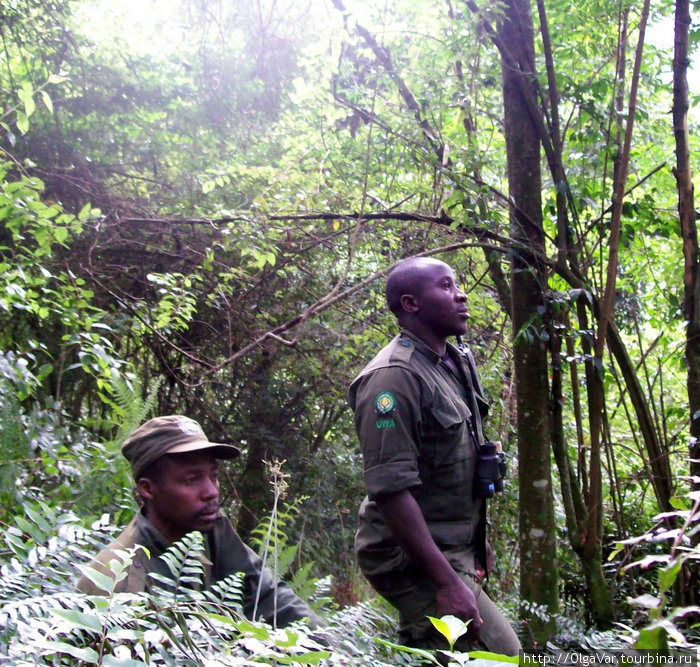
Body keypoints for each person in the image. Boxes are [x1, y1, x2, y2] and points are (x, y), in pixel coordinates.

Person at [348, 257, 520, 656]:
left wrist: (476, 545)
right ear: (411, 304)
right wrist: (446, 583)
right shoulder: (392, 379)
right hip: (407, 554)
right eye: (446, 286)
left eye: (457, 284)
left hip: (451, 543)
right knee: (505, 657)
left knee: (449, 653)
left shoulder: (454, 362)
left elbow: (462, 457)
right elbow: (390, 490)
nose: (461, 295)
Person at [78, 415, 324, 629]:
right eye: (192, 480)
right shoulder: (116, 582)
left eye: (214, 476)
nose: (211, 492)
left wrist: (332, 651)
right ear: (148, 489)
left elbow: (264, 595)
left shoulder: (208, 526)